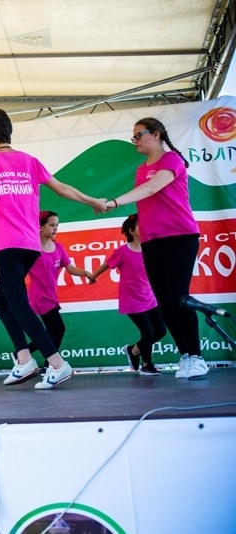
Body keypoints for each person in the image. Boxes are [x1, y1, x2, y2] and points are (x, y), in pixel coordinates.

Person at [0, 109, 105, 390]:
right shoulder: (29, 161)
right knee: (2, 301)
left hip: (6, 243)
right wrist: (92, 201)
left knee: (16, 304)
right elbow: (62, 189)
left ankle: (58, 364)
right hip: (30, 245)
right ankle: (24, 359)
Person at [102, 117, 207, 379]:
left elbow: (151, 189)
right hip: (151, 242)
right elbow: (145, 192)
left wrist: (113, 202)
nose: (135, 141)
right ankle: (186, 356)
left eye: (139, 135)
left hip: (180, 237)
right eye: (133, 137)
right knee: (165, 301)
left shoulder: (171, 160)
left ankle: (196, 356)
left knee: (179, 297)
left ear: (157, 134)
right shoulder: (140, 170)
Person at [89, 213, 166, 375]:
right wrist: (93, 276)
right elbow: (107, 264)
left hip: (150, 298)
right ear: (131, 231)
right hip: (132, 300)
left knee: (160, 331)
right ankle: (147, 365)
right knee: (148, 332)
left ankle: (133, 351)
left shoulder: (150, 249)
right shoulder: (123, 251)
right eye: (140, 226)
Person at [25, 210, 94, 367]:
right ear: (40, 227)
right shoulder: (32, 248)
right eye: (52, 225)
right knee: (58, 328)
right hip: (39, 296)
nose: (55, 228)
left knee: (50, 332)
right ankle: (50, 365)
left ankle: (23, 353)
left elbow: (70, 268)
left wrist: (86, 273)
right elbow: (15, 266)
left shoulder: (58, 247)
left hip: (51, 295)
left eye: (57, 225)